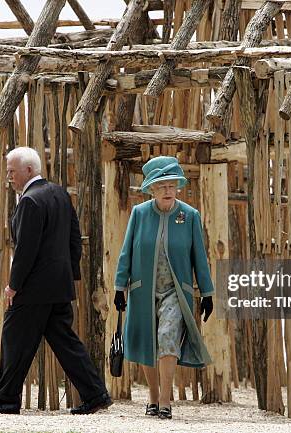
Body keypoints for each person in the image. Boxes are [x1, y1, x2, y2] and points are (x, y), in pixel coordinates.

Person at [0, 147, 111, 415]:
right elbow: (75, 237)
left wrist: (13, 285)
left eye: (12, 171)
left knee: (14, 338)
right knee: (66, 342)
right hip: (58, 286)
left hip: (34, 288)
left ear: (29, 170)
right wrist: (69, 274)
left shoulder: (30, 201)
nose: (9, 177)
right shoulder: (60, 193)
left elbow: (26, 250)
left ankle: (6, 400)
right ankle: (96, 395)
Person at [113, 156, 214, 420]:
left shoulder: (189, 216)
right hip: (142, 290)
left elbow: (199, 257)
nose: (168, 191)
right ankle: (153, 398)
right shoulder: (140, 213)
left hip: (175, 292)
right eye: (162, 186)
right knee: (148, 341)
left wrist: (207, 293)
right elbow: (126, 253)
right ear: (152, 189)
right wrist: (119, 287)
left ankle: (166, 402)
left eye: (171, 185)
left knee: (168, 337)